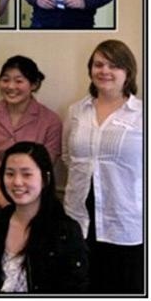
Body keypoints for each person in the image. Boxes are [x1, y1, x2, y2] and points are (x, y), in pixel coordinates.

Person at [64, 40, 142, 293]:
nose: (104, 71)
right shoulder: (76, 111)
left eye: (114, 65)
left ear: (128, 72)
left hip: (124, 221)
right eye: (98, 64)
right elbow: (67, 157)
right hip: (79, 218)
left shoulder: (142, 115)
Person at [0, 142, 88, 293]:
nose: (17, 182)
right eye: (10, 174)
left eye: (26, 174)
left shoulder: (65, 231)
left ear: (45, 179)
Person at [0, 55, 62, 236]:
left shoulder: (51, 121)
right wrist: (5, 204)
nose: (11, 86)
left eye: (19, 81)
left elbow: (43, 171)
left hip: (32, 211)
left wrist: (18, 205)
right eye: (5, 80)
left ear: (34, 84)